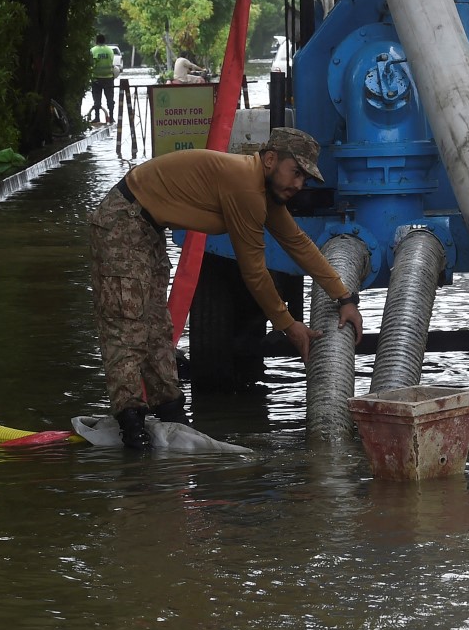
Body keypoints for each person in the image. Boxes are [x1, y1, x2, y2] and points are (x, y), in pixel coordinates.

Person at [88, 127, 364, 448]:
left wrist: (345, 297)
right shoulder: (246, 188)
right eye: (296, 172)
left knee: (156, 327)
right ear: (271, 160)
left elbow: (298, 243)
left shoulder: (264, 190)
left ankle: (171, 414)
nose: (299, 184)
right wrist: (289, 326)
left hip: (147, 227)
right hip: (122, 220)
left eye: (305, 177)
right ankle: (131, 423)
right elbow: (254, 272)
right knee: (128, 324)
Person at [89, 33, 121, 124]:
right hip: (108, 78)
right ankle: (111, 117)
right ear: (104, 41)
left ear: (96, 41)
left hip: (96, 78)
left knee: (97, 99)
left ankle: (97, 117)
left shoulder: (92, 50)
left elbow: (90, 63)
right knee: (110, 99)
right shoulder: (110, 50)